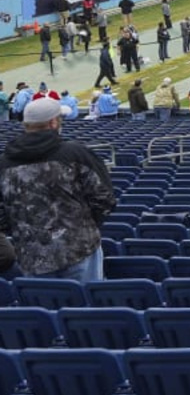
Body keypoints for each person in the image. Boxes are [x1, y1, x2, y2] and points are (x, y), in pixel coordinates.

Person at [0, 95, 114, 280]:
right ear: (53, 122)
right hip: (79, 249)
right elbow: (104, 197)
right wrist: (83, 226)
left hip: (31, 254)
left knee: (44, 308)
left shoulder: (4, 163)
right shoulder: (75, 153)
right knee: (86, 305)